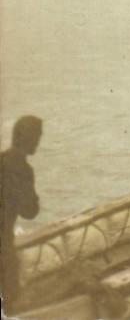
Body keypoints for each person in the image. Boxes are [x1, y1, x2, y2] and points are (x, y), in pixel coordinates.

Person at [1, 115, 43, 307]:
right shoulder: (24, 170)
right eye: (38, 136)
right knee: (10, 299)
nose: (39, 142)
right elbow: (30, 212)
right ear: (30, 138)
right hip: (4, 244)